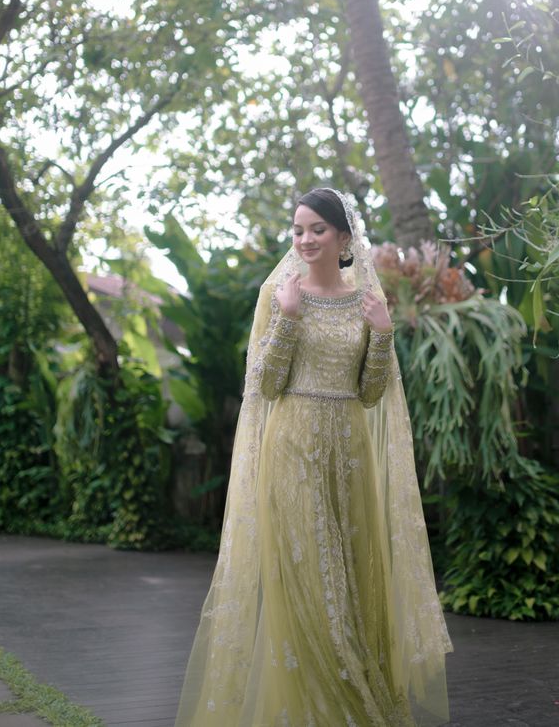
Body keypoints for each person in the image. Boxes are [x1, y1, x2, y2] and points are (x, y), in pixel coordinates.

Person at [174, 188, 452, 727]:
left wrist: (383, 334)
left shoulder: (366, 301)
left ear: (344, 238)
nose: (304, 239)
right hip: (293, 448)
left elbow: (370, 394)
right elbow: (266, 385)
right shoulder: (279, 295)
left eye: (317, 229)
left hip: (350, 452)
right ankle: (319, 709)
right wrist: (288, 318)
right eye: (298, 229)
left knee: (351, 579)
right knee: (306, 577)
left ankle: (360, 700)